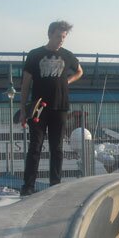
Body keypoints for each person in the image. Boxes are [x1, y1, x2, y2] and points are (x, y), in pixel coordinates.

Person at [19, 20, 84, 196]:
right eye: (58, 36)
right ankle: (28, 186)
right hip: (39, 107)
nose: (61, 40)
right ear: (49, 35)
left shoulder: (68, 55)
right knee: (35, 147)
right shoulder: (34, 54)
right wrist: (23, 109)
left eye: (63, 37)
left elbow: (80, 71)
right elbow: (25, 84)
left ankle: (55, 185)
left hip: (60, 107)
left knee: (57, 148)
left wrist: (67, 81)